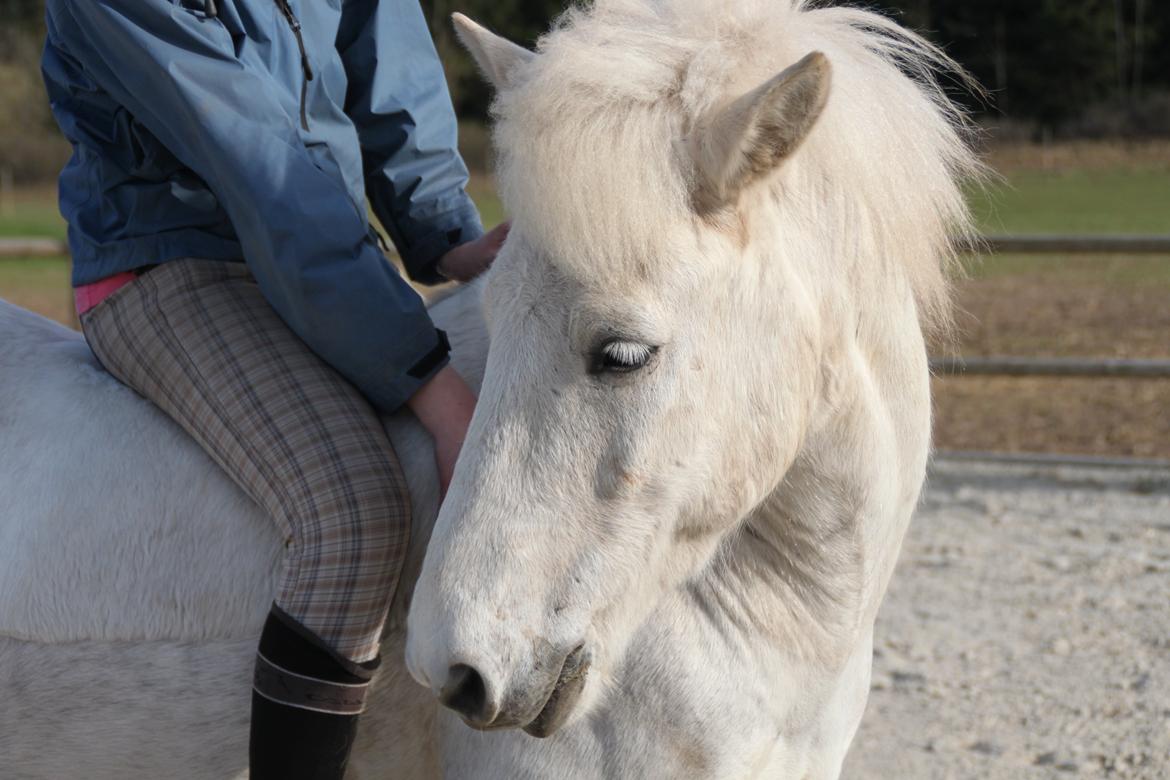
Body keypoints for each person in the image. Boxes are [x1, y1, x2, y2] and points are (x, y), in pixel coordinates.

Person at [41, 0, 505, 776]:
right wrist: (440, 394)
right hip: (173, 266)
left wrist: (448, 237)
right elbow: (260, 167)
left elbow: (387, 64)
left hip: (324, 259)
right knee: (353, 512)